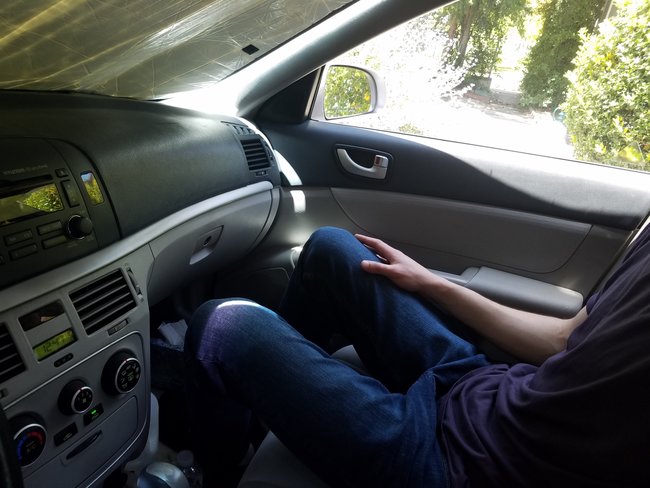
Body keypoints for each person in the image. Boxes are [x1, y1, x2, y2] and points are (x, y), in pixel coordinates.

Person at [184, 225, 650, 487]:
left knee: (222, 327)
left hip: (464, 467)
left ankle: (215, 471)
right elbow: (565, 339)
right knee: (331, 248)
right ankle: (264, 412)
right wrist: (431, 283)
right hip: (488, 393)